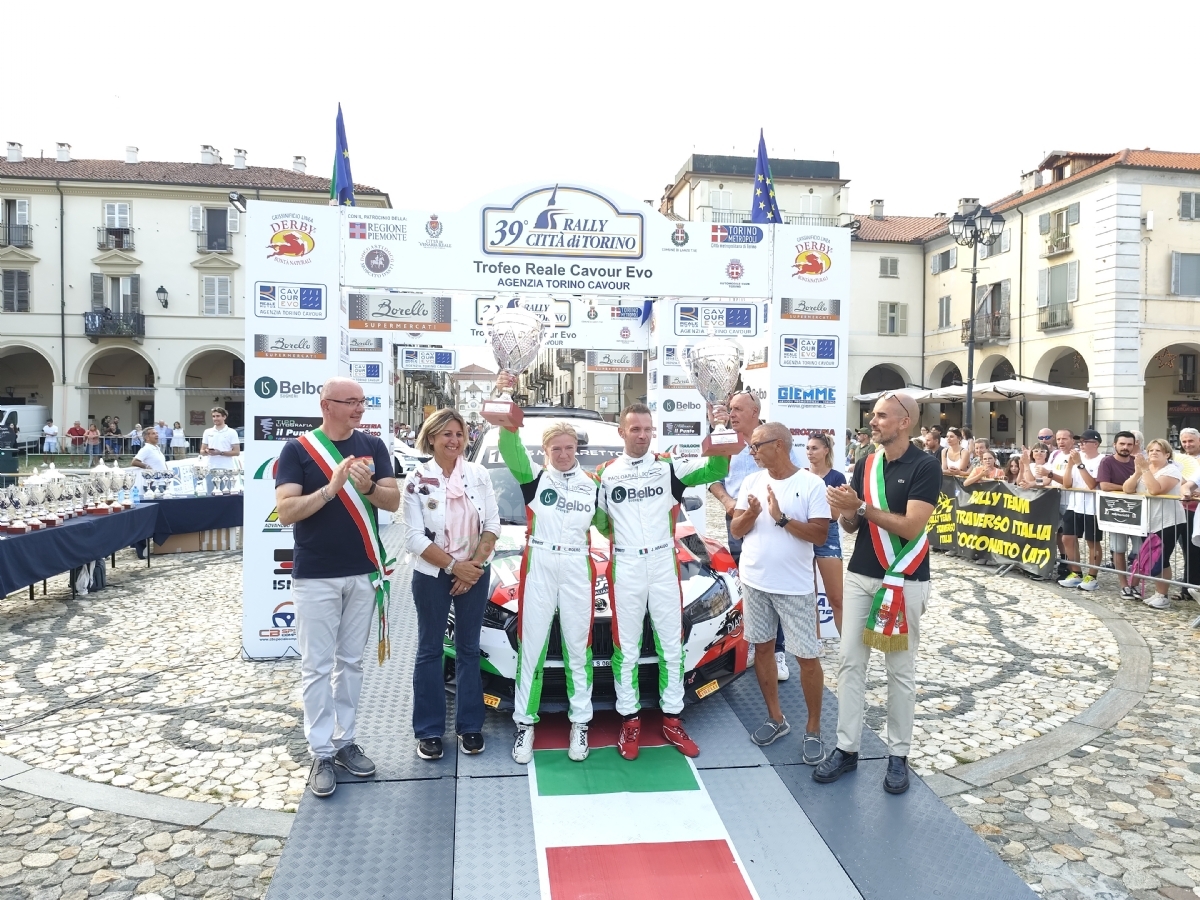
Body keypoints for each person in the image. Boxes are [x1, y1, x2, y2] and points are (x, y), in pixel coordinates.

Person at [275, 377, 399, 798]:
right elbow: (286, 510)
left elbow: (393, 500)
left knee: (351, 662)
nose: (360, 409)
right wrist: (331, 489)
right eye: (351, 402)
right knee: (316, 665)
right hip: (316, 574)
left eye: (362, 402)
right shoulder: (298, 450)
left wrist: (366, 487)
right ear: (326, 404)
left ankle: (345, 741)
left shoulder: (374, 446)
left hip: (363, 570)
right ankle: (321, 750)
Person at [816, 391, 941, 795]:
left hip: (905, 578)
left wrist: (863, 509)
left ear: (905, 422)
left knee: (899, 671)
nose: (874, 421)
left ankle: (898, 756)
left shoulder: (926, 466)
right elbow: (852, 527)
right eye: (873, 415)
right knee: (850, 663)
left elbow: (911, 527)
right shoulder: (866, 463)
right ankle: (846, 748)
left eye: (882, 416)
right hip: (861, 574)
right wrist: (846, 509)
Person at [597, 403, 729, 761]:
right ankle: (630, 720)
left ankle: (672, 718)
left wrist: (719, 429)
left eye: (647, 429)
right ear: (621, 432)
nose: (642, 435)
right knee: (626, 649)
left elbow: (715, 468)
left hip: (662, 562)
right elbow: (601, 524)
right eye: (635, 429)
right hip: (625, 564)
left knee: (672, 645)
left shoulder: (669, 466)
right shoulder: (604, 475)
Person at [495, 383, 604, 764]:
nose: (562, 454)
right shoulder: (534, 479)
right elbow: (509, 448)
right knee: (533, 648)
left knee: (579, 649)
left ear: (577, 450)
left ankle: (580, 723)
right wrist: (505, 403)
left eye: (568, 448)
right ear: (545, 451)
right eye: (555, 448)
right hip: (539, 564)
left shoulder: (594, 486)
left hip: (577, 566)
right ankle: (524, 723)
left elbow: (610, 527)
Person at [730, 423, 831, 764]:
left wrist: (782, 518)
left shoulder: (811, 484)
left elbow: (819, 535)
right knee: (762, 651)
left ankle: (814, 729)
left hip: (795, 587)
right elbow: (736, 528)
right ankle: (776, 719)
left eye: (757, 445)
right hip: (755, 582)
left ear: (779, 446)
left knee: (806, 658)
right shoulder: (752, 482)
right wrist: (755, 514)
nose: (752, 452)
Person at [402, 408, 499, 762]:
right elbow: (413, 538)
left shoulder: (478, 474)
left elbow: (492, 525)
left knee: (469, 650)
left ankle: (470, 726)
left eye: (459, 434)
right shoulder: (416, 480)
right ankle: (428, 730)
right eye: (446, 434)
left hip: (474, 570)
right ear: (431, 437)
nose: (454, 440)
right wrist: (454, 568)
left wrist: (471, 567)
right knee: (430, 649)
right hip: (431, 575)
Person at [707, 391, 802, 675]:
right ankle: (752, 645)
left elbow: (795, 473)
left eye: (737, 409)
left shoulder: (776, 439)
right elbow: (712, 479)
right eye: (730, 409)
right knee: (747, 585)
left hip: (773, 520)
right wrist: (728, 502)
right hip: (738, 520)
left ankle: (778, 652)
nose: (732, 414)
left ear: (755, 411)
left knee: (776, 584)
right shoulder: (725, 441)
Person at [1123, 439, 1186, 609]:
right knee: (1151, 557)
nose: (1153, 453)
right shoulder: (1146, 470)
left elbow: (1156, 489)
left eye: (1158, 450)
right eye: (1151, 450)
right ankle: (1158, 592)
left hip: (1168, 520)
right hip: (1149, 520)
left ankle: (1163, 595)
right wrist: (1138, 472)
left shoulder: (1172, 470)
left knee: (1162, 558)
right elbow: (1127, 488)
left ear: (1167, 454)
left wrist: (1144, 470)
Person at [805, 433, 845, 634]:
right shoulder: (801, 475)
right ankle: (815, 640)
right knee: (807, 594)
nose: (810, 452)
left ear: (826, 451)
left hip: (828, 533)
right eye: (808, 448)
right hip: (803, 533)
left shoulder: (836, 477)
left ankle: (847, 645)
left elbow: (836, 513)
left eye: (815, 448)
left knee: (836, 597)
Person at [1058, 428, 1103, 591]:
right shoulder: (1077, 458)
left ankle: (1092, 576)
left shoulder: (1102, 460)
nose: (1081, 445)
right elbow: (1067, 483)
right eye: (1080, 442)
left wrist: (1078, 464)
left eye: (1085, 442)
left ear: (1095, 444)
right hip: (1074, 504)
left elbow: (1092, 484)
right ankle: (1075, 572)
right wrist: (1070, 465)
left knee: (1092, 542)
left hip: (1092, 507)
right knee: (1067, 538)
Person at [1099, 432, 1140, 599]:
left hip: (1138, 513)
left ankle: (1135, 584)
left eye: (1129, 445)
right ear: (1115, 444)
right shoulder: (1107, 462)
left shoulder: (1137, 462)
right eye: (1122, 444)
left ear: (1134, 445)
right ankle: (1124, 585)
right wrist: (1128, 488)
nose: (1125, 447)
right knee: (1119, 549)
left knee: (1139, 550)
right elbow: (1104, 485)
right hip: (1115, 513)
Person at [130, 427, 168, 559]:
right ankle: (141, 544)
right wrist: (147, 467)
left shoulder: (156, 448)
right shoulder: (146, 448)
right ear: (146, 437)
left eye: (157, 433)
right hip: (152, 484)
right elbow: (134, 461)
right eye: (153, 434)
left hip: (162, 483)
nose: (156, 435)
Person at [1175, 428, 1200, 602]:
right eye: (1184, 441)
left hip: (1195, 510)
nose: (1187, 444)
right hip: (1183, 509)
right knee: (1187, 549)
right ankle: (1189, 585)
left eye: (1190, 441)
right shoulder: (1178, 461)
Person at [201, 407, 240, 493]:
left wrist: (220, 453)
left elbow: (237, 452)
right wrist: (207, 451)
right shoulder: (207, 432)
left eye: (218, 416)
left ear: (224, 417)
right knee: (211, 495)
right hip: (211, 468)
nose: (215, 418)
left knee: (226, 496)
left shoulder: (232, 432)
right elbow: (202, 451)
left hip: (227, 468)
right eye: (213, 416)